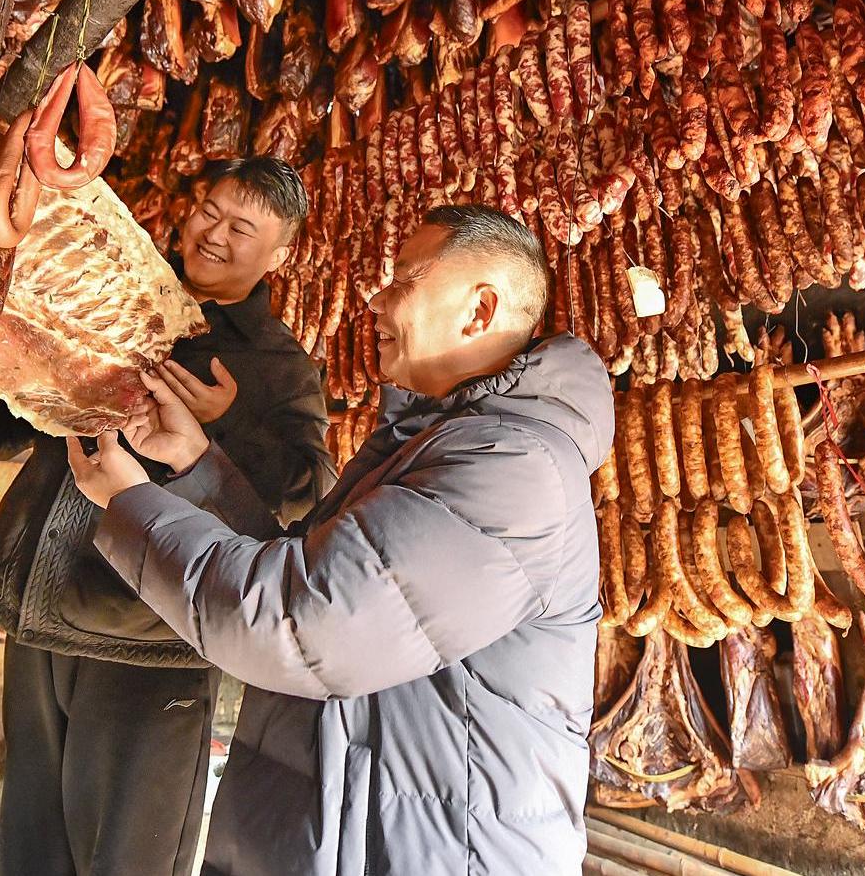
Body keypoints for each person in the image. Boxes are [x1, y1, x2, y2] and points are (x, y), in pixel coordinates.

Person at [68, 204, 614, 876]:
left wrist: (131, 504)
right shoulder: (433, 442)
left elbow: (304, 626)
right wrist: (195, 465)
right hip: (351, 831)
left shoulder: (513, 467)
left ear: (479, 310)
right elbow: (312, 575)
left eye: (404, 280)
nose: (376, 300)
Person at [0, 157, 335, 876]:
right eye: (210, 211)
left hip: (150, 636)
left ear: (279, 255)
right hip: (43, 605)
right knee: (29, 846)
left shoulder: (277, 365)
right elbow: (50, 396)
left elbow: (310, 491)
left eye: (242, 228)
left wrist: (228, 420)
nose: (214, 233)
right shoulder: (120, 291)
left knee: (126, 856)